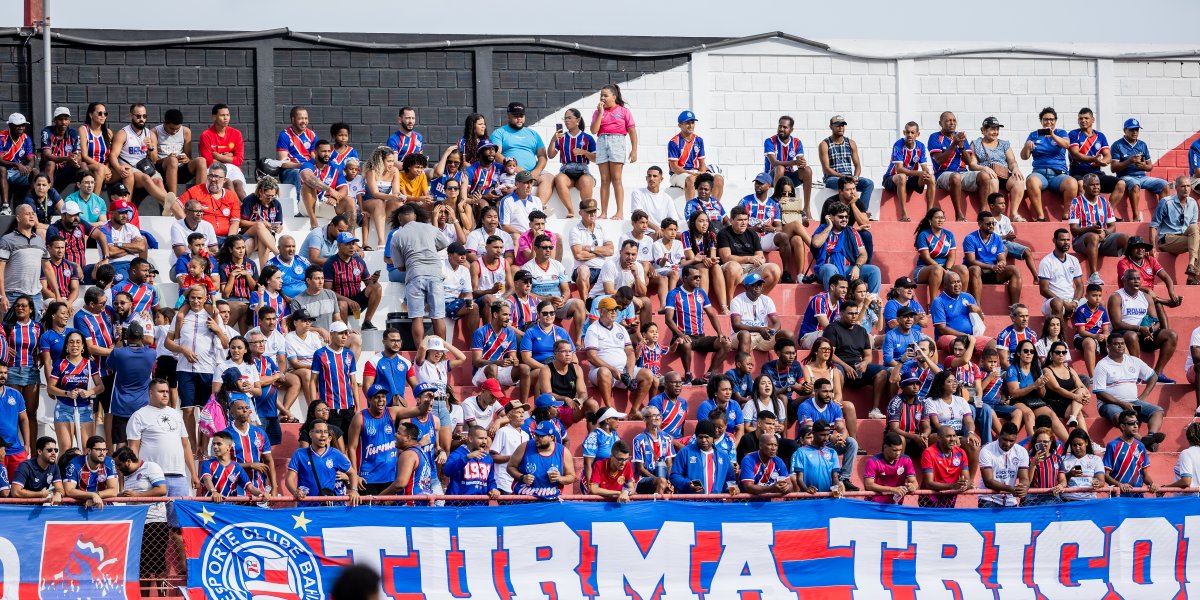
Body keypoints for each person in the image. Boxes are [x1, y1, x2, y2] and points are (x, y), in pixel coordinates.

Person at [165, 285, 228, 448]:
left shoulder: (213, 315)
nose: (196, 301)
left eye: (200, 298)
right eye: (193, 297)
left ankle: (203, 448)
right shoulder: (181, 316)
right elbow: (167, 342)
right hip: (184, 369)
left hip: (207, 370)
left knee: (204, 412)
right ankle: (193, 448)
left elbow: (227, 343)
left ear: (206, 298)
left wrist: (218, 330)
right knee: (187, 410)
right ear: (188, 298)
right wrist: (183, 350)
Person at [128, 379, 199, 520]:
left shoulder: (176, 414)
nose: (166, 395)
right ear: (151, 393)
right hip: (151, 477)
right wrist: (134, 475)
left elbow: (185, 445)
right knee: (153, 523)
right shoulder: (139, 415)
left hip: (178, 475)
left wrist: (194, 474)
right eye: (161, 391)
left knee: (179, 524)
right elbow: (133, 447)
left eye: (167, 391)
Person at [1094, 333, 1164, 451]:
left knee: (1158, 411)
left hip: (1133, 401)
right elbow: (1100, 393)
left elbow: (1153, 376)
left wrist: (1144, 395)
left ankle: (1151, 436)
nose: (1120, 346)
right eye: (1116, 344)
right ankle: (1143, 441)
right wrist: (1123, 404)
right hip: (1109, 404)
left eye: (1122, 344)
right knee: (1120, 417)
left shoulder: (1133, 361)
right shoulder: (1102, 365)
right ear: (1108, 346)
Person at [584, 297, 654, 414]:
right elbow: (591, 357)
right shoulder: (593, 329)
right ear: (601, 311)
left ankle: (634, 411)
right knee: (604, 372)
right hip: (601, 372)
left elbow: (630, 352)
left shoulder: (621, 328)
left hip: (623, 372)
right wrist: (613, 370)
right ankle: (609, 409)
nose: (614, 312)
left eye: (615, 310)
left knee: (647, 374)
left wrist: (630, 374)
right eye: (610, 310)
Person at [664, 265, 733, 386]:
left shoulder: (701, 293)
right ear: (685, 278)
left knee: (726, 343)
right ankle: (688, 375)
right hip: (681, 336)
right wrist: (681, 334)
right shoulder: (674, 294)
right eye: (695, 277)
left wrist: (720, 333)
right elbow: (668, 319)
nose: (698, 280)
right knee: (685, 343)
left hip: (700, 337)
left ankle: (709, 375)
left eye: (699, 277)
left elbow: (712, 314)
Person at [109, 103, 179, 217]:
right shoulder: (123, 133)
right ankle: (172, 202)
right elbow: (113, 155)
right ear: (131, 116)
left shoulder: (149, 133)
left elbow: (155, 159)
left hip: (146, 167)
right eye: (138, 116)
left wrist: (151, 147)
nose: (142, 119)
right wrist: (118, 168)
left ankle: (168, 211)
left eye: (144, 116)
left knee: (158, 181)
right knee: (146, 178)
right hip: (131, 168)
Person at [1109, 267, 1178, 381]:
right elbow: (1116, 324)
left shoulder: (1146, 297)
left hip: (1144, 333)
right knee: (1132, 335)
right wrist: (1139, 328)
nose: (1136, 281)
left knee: (1171, 335)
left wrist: (1151, 330)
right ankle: (1137, 373)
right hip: (1124, 333)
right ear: (1124, 281)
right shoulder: (1116, 297)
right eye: (1132, 279)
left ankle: (1156, 374)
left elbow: (1155, 321)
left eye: (1138, 279)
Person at [929, 111, 994, 221]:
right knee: (955, 177)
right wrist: (954, 144)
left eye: (954, 120)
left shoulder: (960, 137)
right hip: (943, 174)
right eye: (948, 120)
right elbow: (939, 160)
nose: (952, 123)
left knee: (985, 176)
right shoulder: (935, 137)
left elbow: (968, 161)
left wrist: (961, 146)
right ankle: (959, 214)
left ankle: (982, 213)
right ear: (941, 123)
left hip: (963, 173)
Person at [286, 418, 361, 506]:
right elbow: (289, 479)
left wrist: (354, 490)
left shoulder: (335, 454)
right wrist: (295, 492)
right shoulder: (299, 454)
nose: (323, 435)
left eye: (325, 432)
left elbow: (352, 473)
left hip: (328, 508)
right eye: (319, 432)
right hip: (306, 507)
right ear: (311, 434)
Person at [1071, 174, 1129, 286]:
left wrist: (1105, 232)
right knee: (1093, 236)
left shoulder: (1104, 202)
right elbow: (1074, 230)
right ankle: (1093, 276)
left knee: (1126, 238)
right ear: (1085, 187)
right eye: (1092, 185)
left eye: (1097, 184)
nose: (1096, 187)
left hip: (1102, 238)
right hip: (1081, 241)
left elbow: (1113, 226)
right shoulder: (1076, 202)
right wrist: (1090, 229)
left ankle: (1128, 271)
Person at [811, 201, 880, 293]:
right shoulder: (823, 228)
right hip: (826, 270)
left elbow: (863, 254)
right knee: (830, 268)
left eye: (846, 217)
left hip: (848, 269)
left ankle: (872, 303)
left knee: (874, 270)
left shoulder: (852, 232)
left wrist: (857, 267)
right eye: (840, 217)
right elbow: (816, 243)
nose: (844, 219)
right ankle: (831, 302)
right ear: (831, 217)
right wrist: (829, 226)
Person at [718, 206, 782, 302]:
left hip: (751, 268)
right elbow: (726, 258)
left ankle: (757, 300)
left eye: (745, 220)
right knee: (733, 266)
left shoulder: (752, 233)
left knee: (774, 269)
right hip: (732, 268)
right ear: (731, 220)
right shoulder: (723, 233)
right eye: (740, 220)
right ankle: (730, 301)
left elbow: (760, 256)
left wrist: (760, 260)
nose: (744, 223)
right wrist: (749, 258)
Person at [1111, 118, 1170, 221]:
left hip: (1142, 177)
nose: (1135, 132)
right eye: (1132, 130)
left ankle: (1162, 217)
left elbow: (1150, 166)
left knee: (1164, 185)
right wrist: (1129, 161)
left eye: (1137, 130)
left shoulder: (1142, 144)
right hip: (1125, 176)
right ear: (1125, 130)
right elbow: (1113, 168)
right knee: (1134, 185)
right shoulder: (1117, 145)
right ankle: (1136, 217)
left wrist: (1143, 166)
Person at [972, 116, 1029, 219]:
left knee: (1019, 180)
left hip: (1003, 174)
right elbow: (972, 164)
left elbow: (1011, 161)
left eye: (997, 129)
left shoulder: (1004, 144)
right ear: (983, 130)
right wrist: (985, 168)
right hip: (989, 175)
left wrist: (1015, 168)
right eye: (992, 129)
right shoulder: (976, 144)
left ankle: (1014, 214)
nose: (995, 132)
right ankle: (994, 214)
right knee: (993, 180)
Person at [963, 211, 1022, 304]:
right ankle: (977, 305)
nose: (991, 226)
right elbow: (971, 261)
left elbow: (1002, 257)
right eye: (988, 224)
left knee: (1014, 269)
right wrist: (992, 267)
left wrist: (1001, 264)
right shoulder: (970, 238)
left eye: (993, 223)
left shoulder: (997, 238)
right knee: (975, 269)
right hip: (978, 272)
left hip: (993, 271)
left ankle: (1015, 307)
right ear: (979, 223)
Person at [508, 419, 576, 500]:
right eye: (536, 434)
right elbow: (510, 467)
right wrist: (522, 477)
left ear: (551, 437)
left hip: (550, 501)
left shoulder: (563, 452)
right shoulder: (524, 447)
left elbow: (571, 476)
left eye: (541, 436)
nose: (536, 438)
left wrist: (560, 478)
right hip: (524, 500)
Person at [819, 114, 874, 213]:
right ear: (831, 126)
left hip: (849, 178)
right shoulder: (824, 144)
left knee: (868, 183)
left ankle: (862, 212)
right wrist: (844, 177)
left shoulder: (851, 143)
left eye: (843, 125)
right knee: (844, 183)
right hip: (832, 178)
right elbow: (826, 168)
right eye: (837, 125)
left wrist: (855, 177)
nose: (841, 127)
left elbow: (857, 165)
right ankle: (847, 211)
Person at [1151, 175, 1200, 284]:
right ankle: (1192, 276)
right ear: (1176, 188)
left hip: (1183, 237)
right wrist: (1152, 247)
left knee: (1194, 228)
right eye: (1183, 186)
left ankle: (1191, 266)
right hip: (1167, 239)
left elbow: (1193, 228)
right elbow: (1153, 225)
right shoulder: (1166, 202)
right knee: (1198, 240)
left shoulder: (1192, 203)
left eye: (1188, 186)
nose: (1186, 189)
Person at [669, 420, 738, 496]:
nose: (703, 440)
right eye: (700, 437)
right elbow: (674, 476)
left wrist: (732, 488)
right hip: (690, 503)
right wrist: (688, 484)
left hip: (715, 503)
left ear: (713, 437)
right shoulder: (685, 452)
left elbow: (730, 480)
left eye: (706, 437)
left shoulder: (723, 456)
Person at [1103, 409, 1159, 497]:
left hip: (1138, 497)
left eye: (1137, 423)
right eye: (1131, 423)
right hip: (1118, 497)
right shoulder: (1112, 445)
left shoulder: (1141, 446)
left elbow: (1145, 475)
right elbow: (1105, 475)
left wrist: (1152, 484)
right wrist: (1119, 485)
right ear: (1122, 426)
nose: (1135, 426)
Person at [667, 110, 722, 200]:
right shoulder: (674, 142)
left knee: (719, 179)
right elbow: (674, 168)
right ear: (680, 125)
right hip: (678, 174)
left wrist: (702, 174)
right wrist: (690, 173)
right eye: (687, 123)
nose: (691, 125)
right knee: (691, 179)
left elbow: (702, 163)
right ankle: (691, 212)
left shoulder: (699, 140)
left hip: (695, 173)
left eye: (692, 123)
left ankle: (712, 209)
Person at [1118, 235, 1183, 307]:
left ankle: (1165, 302)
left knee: (1156, 304)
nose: (1140, 250)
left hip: (1150, 297)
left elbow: (1166, 277)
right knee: (1157, 304)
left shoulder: (1150, 260)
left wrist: (1171, 292)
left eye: (1142, 247)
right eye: (1136, 247)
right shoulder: (1123, 263)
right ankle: (1166, 302)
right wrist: (1148, 290)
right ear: (1130, 250)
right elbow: (1127, 284)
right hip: (1130, 295)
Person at [154, 108, 207, 195]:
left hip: (181, 170)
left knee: (201, 161)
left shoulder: (186, 131)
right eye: (171, 128)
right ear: (164, 122)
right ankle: (173, 199)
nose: (174, 132)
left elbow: (188, 156)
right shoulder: (155, 132)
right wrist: (168, 158)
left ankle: (199, 198)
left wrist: (186, 159)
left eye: (177, 129)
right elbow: (154, 161)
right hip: (163, 170)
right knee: (172, 160)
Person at [199, 104, 247, 199]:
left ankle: (249, 209)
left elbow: (239, 160)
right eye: (222, 115)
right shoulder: (206, 135)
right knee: (227, 182)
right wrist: (230, 156)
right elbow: (209, 162)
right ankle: (237, 209)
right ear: (214, 117)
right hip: (214, 169)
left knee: (238, 184)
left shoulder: (236, 134)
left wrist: (218, 156)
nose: (226, 118)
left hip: (232, 168)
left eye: (228, 115)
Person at [919, 425, 974, 508]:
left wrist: (965, 485)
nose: (952, 439)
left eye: (954, 436)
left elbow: (967, 479)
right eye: (948, 436)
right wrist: (953, 486)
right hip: (930, 499)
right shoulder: (929, 453)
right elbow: (928, 483)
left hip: (950, 498)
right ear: (939, 438)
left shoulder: (961, 453)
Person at [977, 422, 1030, 508]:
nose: (1008, 444)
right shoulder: (986, 450)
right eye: (1005, 439)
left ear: (1016, 439)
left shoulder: (1022, 451)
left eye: (1011, 441)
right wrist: (1010, 489)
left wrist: (1024, 488)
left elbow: (1024, 478)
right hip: (989, 499)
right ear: (999, 435)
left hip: (1010, 501)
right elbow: (988, 481)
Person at [1038, 228, 1086, 318]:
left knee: (1097, 301)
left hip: (1072, 301)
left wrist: (1075, 302)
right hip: (1052, 302)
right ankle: (1061, 332)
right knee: (1057, 303)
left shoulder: (1074, 260)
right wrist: (1064, 303)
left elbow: (1079, 285)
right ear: (1054, 241)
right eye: (1062, 240)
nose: (1066, 242)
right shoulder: (1046, 261)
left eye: (1068, 240)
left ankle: (1089, 331)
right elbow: (1044, 290)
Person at [444, 425, 501, 499]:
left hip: (480, 504)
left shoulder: (488, 458)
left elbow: (490, 480)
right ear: (470, 439)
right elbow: (447, 471)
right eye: (480, 438)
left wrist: (493, 489)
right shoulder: (457, 454)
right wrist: (467, 458)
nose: (484, 442)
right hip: (458, 504)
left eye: (485, 438)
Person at [862, 432, 919, 504]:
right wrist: (892, 489)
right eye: (894, 450)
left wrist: (913, 486)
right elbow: (868, 485)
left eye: (900, 450)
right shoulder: (873, 461)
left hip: (896, 505)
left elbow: (914, 481)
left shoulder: (906, 460)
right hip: (874, 505)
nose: (898, 453)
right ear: (885, 447)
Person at [0, 113, 39, 208]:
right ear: (10, 125)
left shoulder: (26, 138)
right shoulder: (1, 137)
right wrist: (16, 164)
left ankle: (29, 204)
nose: (21, 127)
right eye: (18, 125)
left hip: (18, 173)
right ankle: (5, 206)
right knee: (1, 169)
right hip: (4, 172)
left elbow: (31, 159)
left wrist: (29, 167)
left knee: (35, 171)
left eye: (23, 125)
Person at [39, 107, 81, 191]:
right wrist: (67, 159)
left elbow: (78, 154)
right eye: (60, 119)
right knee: (51, 163)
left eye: (66, 119)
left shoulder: (73, 133)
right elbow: (46, 156)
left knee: (83, 165)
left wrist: (75, 160)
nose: (63, 122)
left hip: (65, 169)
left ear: (69, 121)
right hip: (49, 170)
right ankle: (49, 196)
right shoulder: (47, 132)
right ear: (54, 120)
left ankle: (84, 199)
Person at [10, 436, 62, 503]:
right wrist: (40, 494)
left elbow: (60, 488)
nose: (54, 453)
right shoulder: (25, 466)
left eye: (55, 450)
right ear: (40, 452)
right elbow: (15, 492)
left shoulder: (54, 467)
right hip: (19, 508)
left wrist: (58, 493)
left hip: (37, 507)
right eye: (49, 450)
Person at [1060, 429, 1105, 502]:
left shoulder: (1096, 459)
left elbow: (1101, 481)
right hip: (1068, 499)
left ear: (1086, 442)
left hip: (1088, 500)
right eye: (1074, 445)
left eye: (1080, 444)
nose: (1077, 448)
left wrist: (1097, 483)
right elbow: (1058, 481)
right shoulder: (1063, 459)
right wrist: (1069, 474)